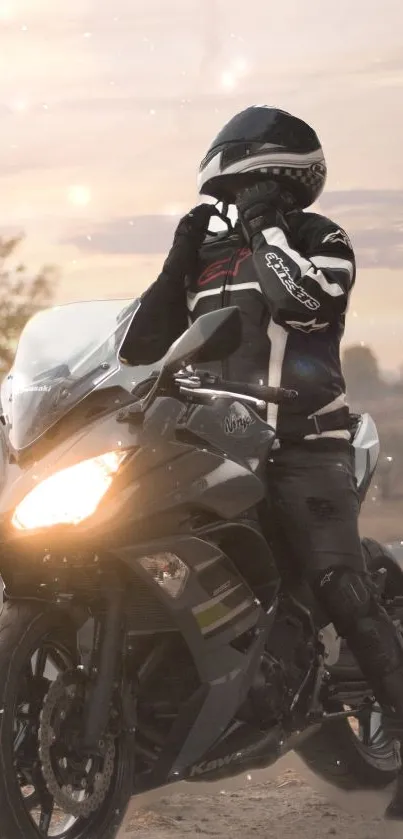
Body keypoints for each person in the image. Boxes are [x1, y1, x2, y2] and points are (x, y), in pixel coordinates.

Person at [123, 105, 403, 818]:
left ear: (273, 179)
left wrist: (265, 230)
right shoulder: (208, 256)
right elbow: (141, 348)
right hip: (210, 441)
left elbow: (302, 303)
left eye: (242, 192)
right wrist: (174, 263)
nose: (230, 206)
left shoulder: (317, 237)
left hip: (304, 445)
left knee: (339, 581)